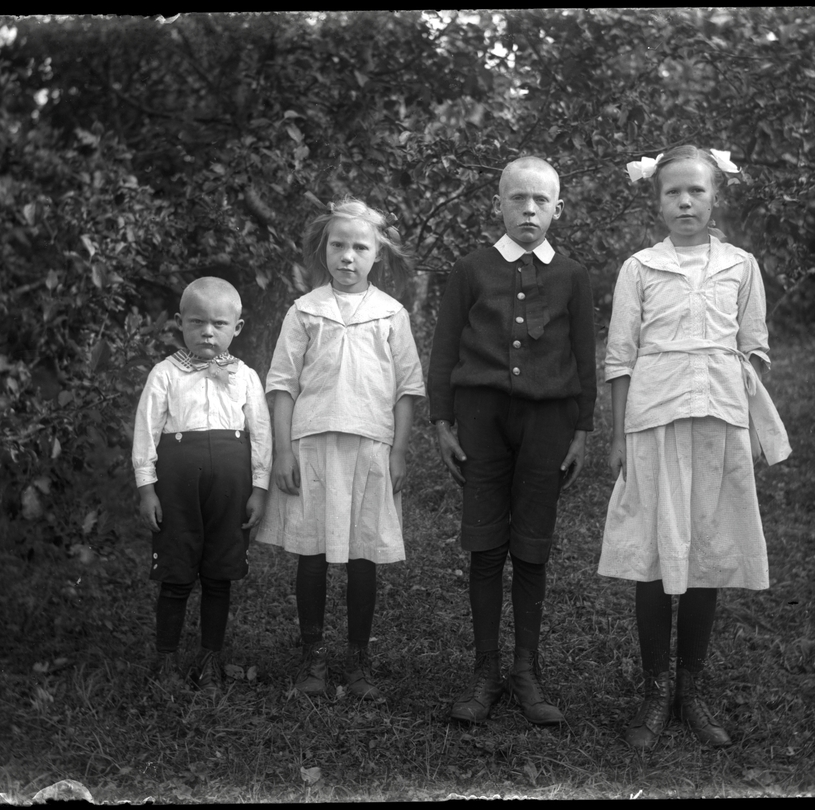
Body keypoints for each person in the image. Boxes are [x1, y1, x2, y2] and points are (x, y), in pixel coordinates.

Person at [600, 146, 791, 749]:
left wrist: (746, 409)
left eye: (697, 192)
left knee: (707, 548)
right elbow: (620, 357)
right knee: (657, 550)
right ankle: (656, 690)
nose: (684, 202)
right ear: (655, 201)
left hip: (718, 420)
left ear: (716, 198)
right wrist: (619, 434)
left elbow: (754, 346)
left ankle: (691, 690)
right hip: (654, 419)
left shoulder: (741, 266)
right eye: (671, 193)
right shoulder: (639, 268)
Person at [428, 156, 597, 726]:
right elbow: (445, 349)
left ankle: (526, 670)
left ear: (557, 209)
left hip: (548, 424)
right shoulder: (472, 269)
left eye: (541, 201)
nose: (529, 209)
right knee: (484, 543)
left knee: (531, 543)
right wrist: (442, 423)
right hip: (480, 419)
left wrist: (582, 429)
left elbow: (585, 360)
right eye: (518, 199)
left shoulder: (572, 275)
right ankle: (485, 670)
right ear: (498, 204)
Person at [255, 197, 425, 702]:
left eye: (359, 247)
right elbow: (282, 383)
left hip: (370, 446)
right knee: (311, 552)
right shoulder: (305, 310)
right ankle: (312, 661)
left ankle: (358, 664)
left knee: (361, 557)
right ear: (322, 250)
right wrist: (283, 451)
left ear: (379, 255)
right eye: (338, 245)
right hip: (312, 446)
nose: (347, 256)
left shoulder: (390, 314)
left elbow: (407, 388)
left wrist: (397, 452)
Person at [132, 276, 272, 698]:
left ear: (237, 328)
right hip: (176, 487)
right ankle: (167, 659)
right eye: (197, 323)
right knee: (176, 571)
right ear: (179, 323)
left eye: (218, 324)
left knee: (218, 573)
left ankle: (210, 659)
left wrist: (260, 488)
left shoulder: (245, 376)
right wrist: (146, 487)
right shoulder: (165, 374)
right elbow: (145, 430)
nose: (207, 332)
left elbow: (262, 434)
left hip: (230, 487)